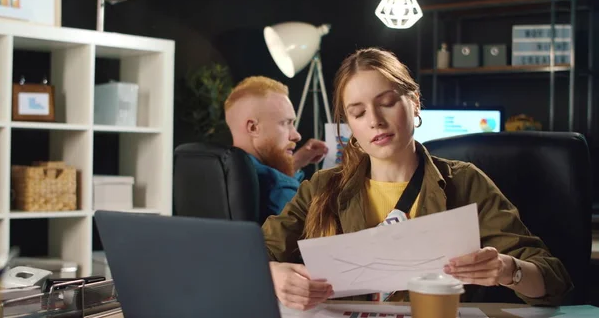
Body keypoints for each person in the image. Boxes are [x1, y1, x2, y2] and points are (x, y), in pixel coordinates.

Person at [261, 48, 573, 311]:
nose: (375, 121)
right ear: (349, 125)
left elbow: (554, 281)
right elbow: (252, 254)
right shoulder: (320, 187)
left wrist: (508, 270)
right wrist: (273, 274)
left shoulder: (465, 183)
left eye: (386, 103)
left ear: (414, 102)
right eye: (358, 112)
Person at [224, 76, 329, 223]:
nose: (297, 136)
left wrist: (295, 162)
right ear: (253, 128)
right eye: (286, 123)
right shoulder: (277, 188)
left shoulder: (219, 173)